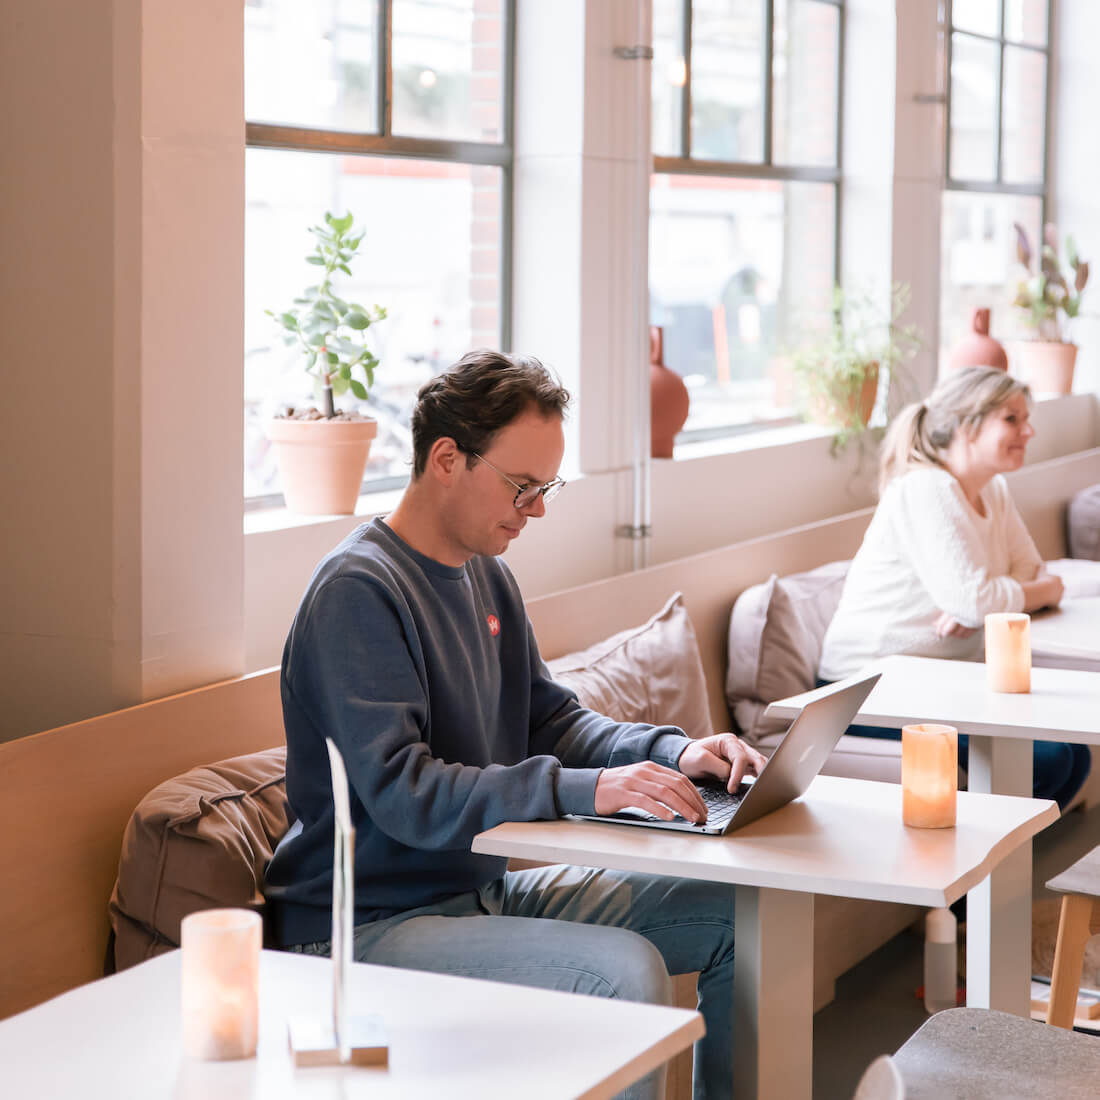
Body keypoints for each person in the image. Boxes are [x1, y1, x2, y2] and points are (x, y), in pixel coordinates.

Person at [264, 349, 766, 1100]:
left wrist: (676, 751)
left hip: (475, 898)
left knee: (735, 914)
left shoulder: (485, 572)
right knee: (624, 973)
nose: (536, 511)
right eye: (522, 487)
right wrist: (590, 790)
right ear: (446, 459)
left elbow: (549, 720)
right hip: (359, 929)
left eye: (545, 488)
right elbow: (406, 792)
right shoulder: (358, 592)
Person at [818, 365, 1090, 810]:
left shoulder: (994, 490)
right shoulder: (926, 489)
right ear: (967, 424)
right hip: (866, 686)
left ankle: (990, 871)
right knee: (1052, 758)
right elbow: (976, 600)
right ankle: (977, 874)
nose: (1029, 430)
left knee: (1073, 756)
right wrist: (984, 602)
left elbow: (1035, 575)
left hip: (941, 679)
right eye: (1012, 419)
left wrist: (997, 599)